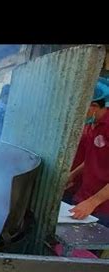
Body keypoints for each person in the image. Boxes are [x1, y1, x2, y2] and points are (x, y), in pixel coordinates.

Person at [67, 78, 109, 226]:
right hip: (84, 195)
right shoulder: (93, 125)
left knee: (87, 246)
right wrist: (72, 175)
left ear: (94, 106)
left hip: (103, 207)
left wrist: (93, 202)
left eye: (81, 107)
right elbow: (93, 158)